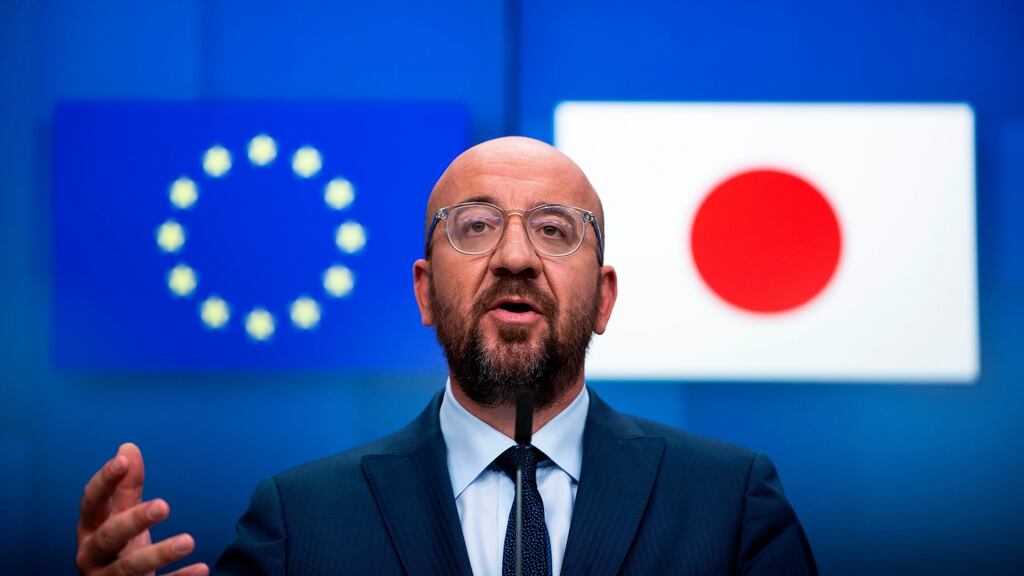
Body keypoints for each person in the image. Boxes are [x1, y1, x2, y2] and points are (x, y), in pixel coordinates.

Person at [76, 136, 818, 576]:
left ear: (604, 299)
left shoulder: (730, 505)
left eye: (557, 230)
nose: (517, 256)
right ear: (426, 293)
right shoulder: (299, 522)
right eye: (475, 226)